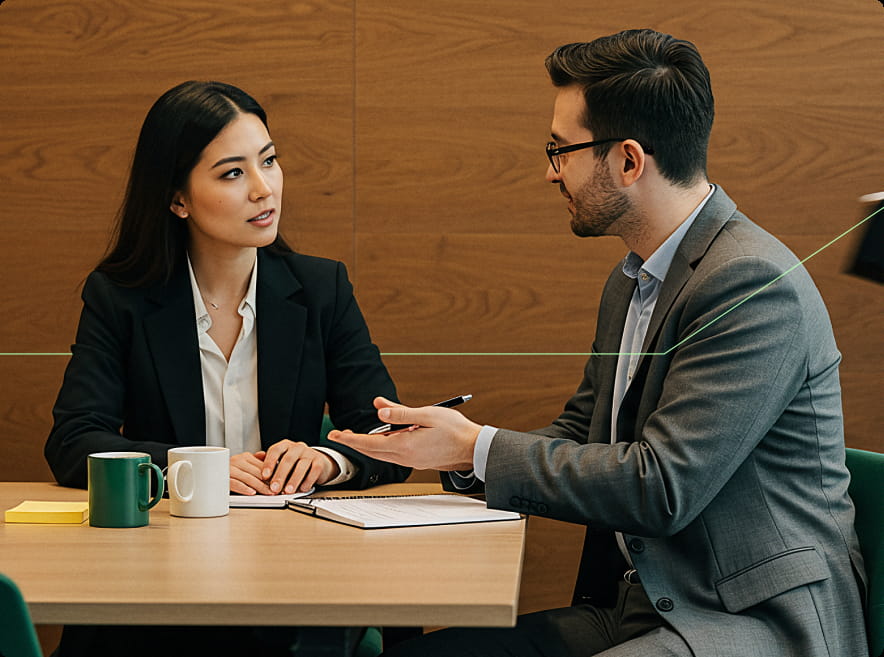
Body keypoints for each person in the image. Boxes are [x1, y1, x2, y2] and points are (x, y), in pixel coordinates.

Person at [331, 29, 869, 657]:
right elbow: (585, 432)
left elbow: (661, 486)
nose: (549, 171)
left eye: (560, 150)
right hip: (644, 606)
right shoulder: (634, 278)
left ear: (628, 161)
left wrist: (480, 447)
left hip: (747, 620)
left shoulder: (751, 284)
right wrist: (454, 455)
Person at [45, 80, 409, 656]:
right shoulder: (122, 298)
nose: (264, 189)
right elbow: (72, 441)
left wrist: (326, 458)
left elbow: (385, 430)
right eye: (232, 173)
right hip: (155, 582)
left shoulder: (320, 289)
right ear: (177, 199)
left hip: (290, 578)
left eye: (268, 161)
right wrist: (191, 469)